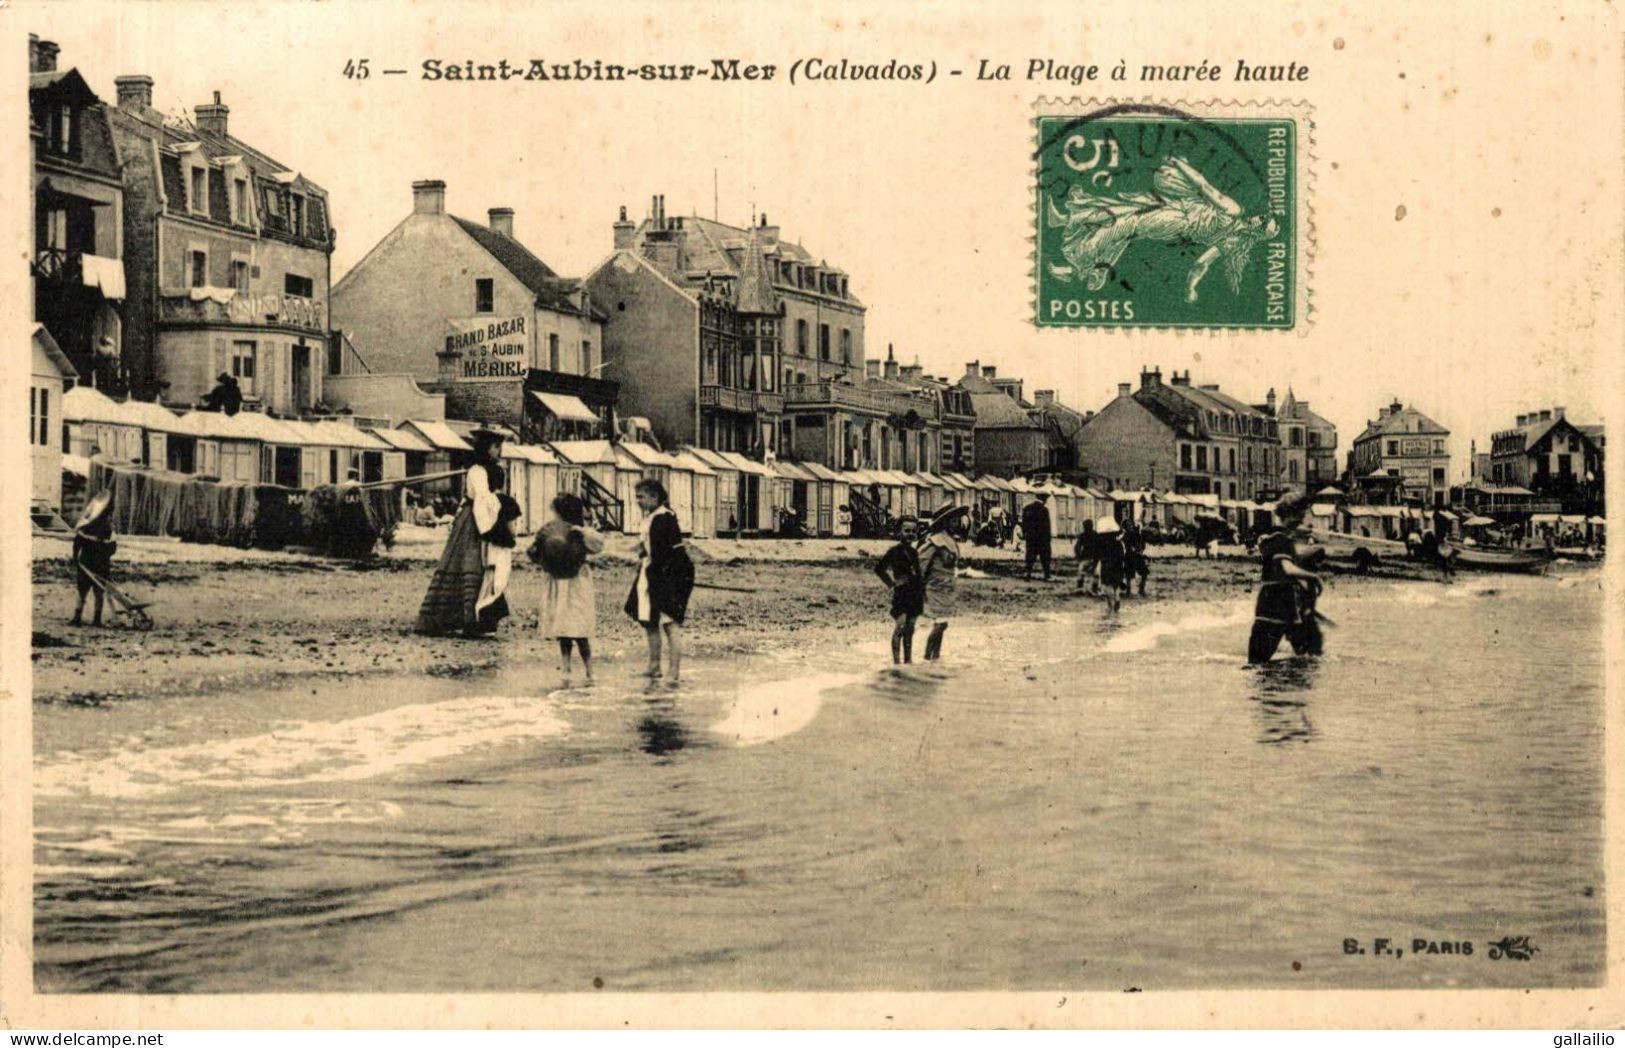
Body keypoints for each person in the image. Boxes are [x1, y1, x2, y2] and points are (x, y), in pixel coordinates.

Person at [414, 428, 519, 637]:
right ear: (485, 448)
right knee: (470, 565)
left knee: (490, 566)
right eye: (496, 447)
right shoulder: (476, 471)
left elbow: (491, 499)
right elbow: (481, 498)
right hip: (475, 521)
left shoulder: (496, 469)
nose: (499, 451)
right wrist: (499, 508)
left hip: (489, 517)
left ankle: (484, 619)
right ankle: (466, 619)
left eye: (500, 447)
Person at [625, 479, 694, 682]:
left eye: (641, 497)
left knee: (669, 623)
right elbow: (648, 550)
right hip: (652, 572)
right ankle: (654, 665)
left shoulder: (663, 518)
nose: (638, 501)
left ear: (655, 497)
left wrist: (661, 577)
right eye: (637, 496)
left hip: (669, 574)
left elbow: (666, 553)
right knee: (649, 619)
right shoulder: (651, 518)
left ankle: (674, 672)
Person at [534, 493, 605, 681]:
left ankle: (589, 670)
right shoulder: (551, 532)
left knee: (579, 628)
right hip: (560, 582)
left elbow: (598, 544)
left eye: (555, 513)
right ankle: (566, 668)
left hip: (576, 584)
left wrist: (581, 531)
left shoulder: (578, 532)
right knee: (563, 627)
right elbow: (535, 551)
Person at [1247, 496, 1325, 664]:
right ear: (1290, 514)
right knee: (1309, 657)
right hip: (1278, 605)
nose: (1303, 519)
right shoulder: (1282, 540)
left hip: (1274, 604)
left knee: (1258, 663)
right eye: (1300, 515)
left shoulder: (1274, 538)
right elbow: (1287, 569)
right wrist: (1315, 578)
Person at [874, 516, 925, 664]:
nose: (910, 534)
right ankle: (896, 663)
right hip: (902, 594)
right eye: (906, 530)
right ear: (899, 532)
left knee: (910, 629)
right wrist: (891, 583)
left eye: (913, 531)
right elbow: (879, 569)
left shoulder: (914, 552)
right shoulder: (894, 552)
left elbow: (918, 573)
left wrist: (923, 590)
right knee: (900, 627)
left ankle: (908, 661)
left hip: (915, 593)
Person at [919, 508, 963, 660]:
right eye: (953, 520)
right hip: (935, 586)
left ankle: (934, 658)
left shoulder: (948, 539)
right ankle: (927, 657)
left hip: (946, 587)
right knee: (941, 624)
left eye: (957, 520)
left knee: (942, 623)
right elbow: (921, 561)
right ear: (945, 523)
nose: (957, 523)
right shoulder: (936, 540)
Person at [69, 491, 116, 627]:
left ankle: (77, 617)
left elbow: (77, 543)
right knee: (98, 592)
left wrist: (75, 556)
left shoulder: (87, 527)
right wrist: (104, 553)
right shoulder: (107, 529)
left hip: (87, 562)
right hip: (100, 564)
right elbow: (113, 548)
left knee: (83, 591)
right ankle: (96, 619)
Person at [1094, 516, 1125, 616]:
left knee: (1107, 585)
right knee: (1116, 584)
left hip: (1106, 565)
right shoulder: (1118, 543)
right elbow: (1122, 555)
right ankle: (1117, 598)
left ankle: (1110, 607)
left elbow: (1097, 555)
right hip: (1118, 565)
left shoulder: (1101, 543)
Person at [1021, 493, 1054, 579]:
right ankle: (1047, 575)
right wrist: (1048, 537)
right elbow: (1047, 525)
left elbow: (1024, 523)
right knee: (1045, 556)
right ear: (1044, 499)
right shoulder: (1044, 509)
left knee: (1030, 555)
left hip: (1031, 537)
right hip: (1042, 538)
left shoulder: (1027, 508)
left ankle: (1028, 573)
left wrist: (1025, 533)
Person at [1122, 519, 1150, 597]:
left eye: (1131, 525)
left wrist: (1141, 550)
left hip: (1137, 555)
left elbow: (1142, 544)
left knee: (1144, 572)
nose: (1130, 526)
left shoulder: (1137, 534)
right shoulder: (1126, 535)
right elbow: (1127, 544)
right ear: (1125, 527)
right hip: (1129, 556)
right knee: (1129, 575)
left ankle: (1141, 590)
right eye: (1128, 525)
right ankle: (1128, 591)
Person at [1073, 517, 1099, 593]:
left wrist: (1078, 556)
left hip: (1086, 557)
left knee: (1082, 572)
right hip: (1093, 557)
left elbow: (1077, 547)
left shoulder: (1083, 535)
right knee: (1095, 574)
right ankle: (1094, 589)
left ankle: (1080, 588)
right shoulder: (1095, 535)